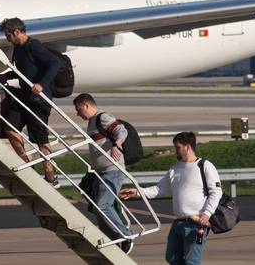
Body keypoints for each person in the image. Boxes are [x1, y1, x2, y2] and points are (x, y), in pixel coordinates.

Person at [141, 131, 222, 265]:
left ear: (187, 147)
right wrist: (138, 192)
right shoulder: (175, 168)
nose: (176, 151)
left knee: (192, 261)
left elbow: (216, 192)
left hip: (196, 224)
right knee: (172, 258)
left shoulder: (205, 166)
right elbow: (159, 189)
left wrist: (207, 214)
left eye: (178, 148)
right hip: (178, 223)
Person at [0, 17, 61, 187]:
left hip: (38, 99)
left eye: (8, 35)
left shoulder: (33, 45)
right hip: (24, 97)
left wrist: (42, 83)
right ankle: (27, 168)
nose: (7, 39)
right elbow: (23, 71)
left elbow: (54, 64)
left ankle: (50, 177)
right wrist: (7, 76)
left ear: (17, 32)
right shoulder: (18, 49)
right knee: (9, 127)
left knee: (41, 140)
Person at [73, 93, 133, 253]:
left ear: (86, 105)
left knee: (103, 205)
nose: (78, 114)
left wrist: (117, 145)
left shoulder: (102, 117)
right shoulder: (92, 122)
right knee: (97, 207)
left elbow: (121, 130)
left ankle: (126, 235)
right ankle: (112, 240)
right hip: (101, 172)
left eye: (79, 110)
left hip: (112, 170)